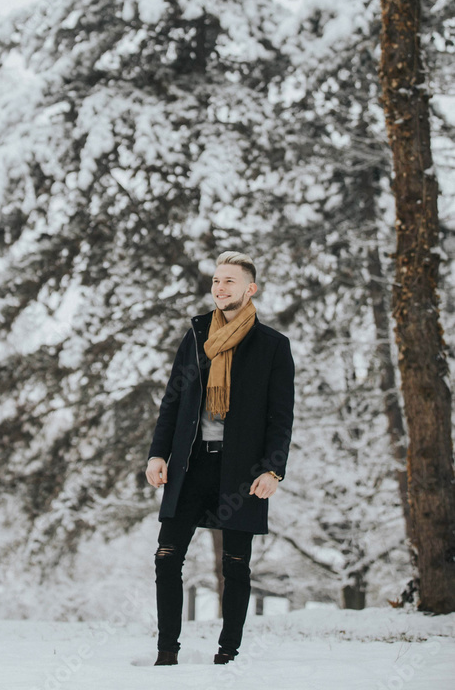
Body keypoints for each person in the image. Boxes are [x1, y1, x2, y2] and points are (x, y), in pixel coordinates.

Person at [146, 251, 295, 666]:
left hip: (241, 470)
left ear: (250, 289)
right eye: (216, 280)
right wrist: (158, 454)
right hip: (191, 465)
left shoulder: (272, 346)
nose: (220, 287)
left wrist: (273, 469)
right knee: (166, 557)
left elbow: (281, 415)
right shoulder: (196, 337)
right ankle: (166, 653)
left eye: (230, 281)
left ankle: (227, 654)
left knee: (236, 564)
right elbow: (172, 403)